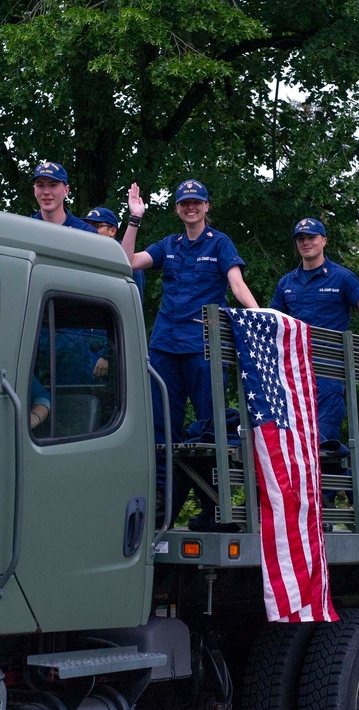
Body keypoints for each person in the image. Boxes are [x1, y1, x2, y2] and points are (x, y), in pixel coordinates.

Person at [121, 180, 260, 531]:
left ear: (207, 206)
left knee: (209, 429)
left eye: (196, 202)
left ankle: (212, 507)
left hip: (204, 346)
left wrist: (259, 317)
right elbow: (128, 262)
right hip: (166, 345)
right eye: (184, 203)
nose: (190, 208)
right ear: (178, 209)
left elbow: (237, 285)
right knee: (161, 427)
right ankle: (159, 504)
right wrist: (134, 220)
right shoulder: (170, 245)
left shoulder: (220, 243)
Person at [270, 217, 359, 444]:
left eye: (311, 237)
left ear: (324, 240)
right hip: (294, 373)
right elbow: (272, 322)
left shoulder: (342, 277)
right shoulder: (286, 283)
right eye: (301, 239)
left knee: (325, 443)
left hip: (329, 373)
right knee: (294, 444)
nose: (306, 242)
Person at [84, 206, 146, 300]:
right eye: (87, 226)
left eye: (96, 226)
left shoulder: (125, 258)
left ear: (112, 231)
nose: (90, 230)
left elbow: (134, 302)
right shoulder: (85, 256)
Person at [30, 161, 98, 233]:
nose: (46, 192)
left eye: (53, 185)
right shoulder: (25, 229)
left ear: (66, 190)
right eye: (40, 185)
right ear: (34, 190)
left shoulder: (85, 232)